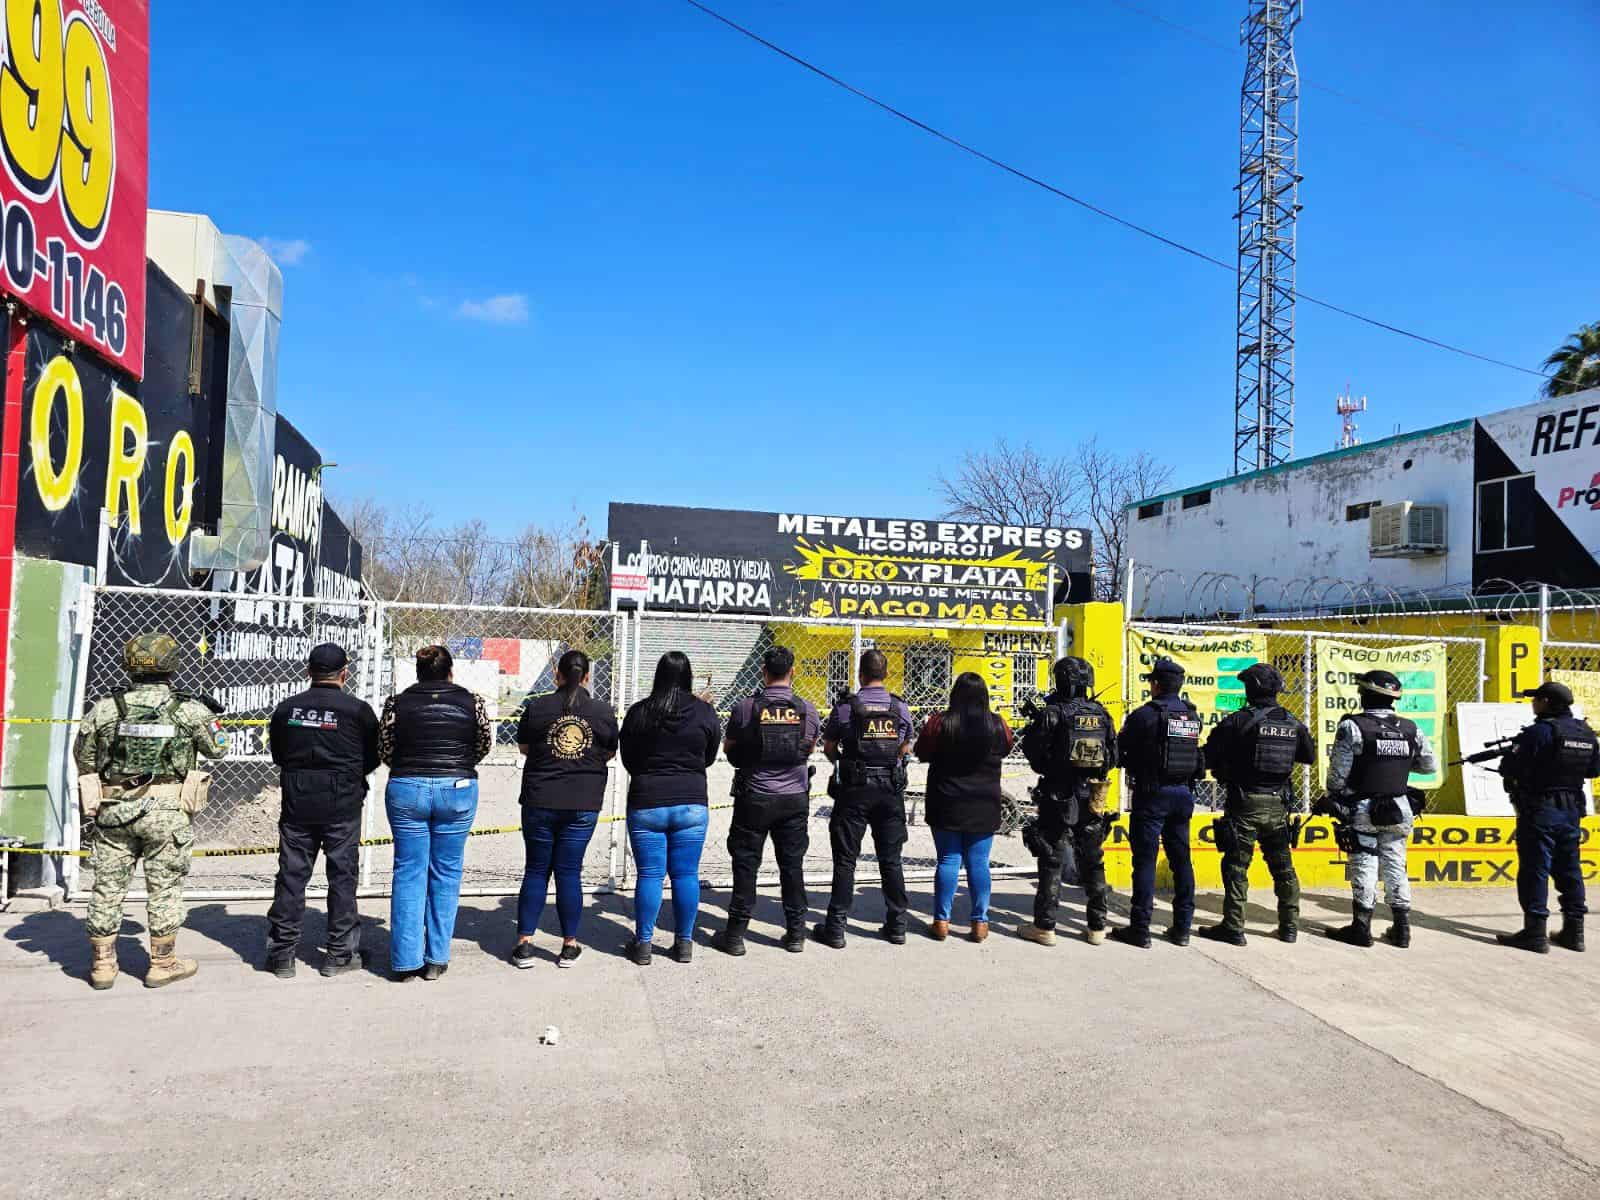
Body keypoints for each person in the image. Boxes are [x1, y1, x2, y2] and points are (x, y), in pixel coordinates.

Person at [74, 632, 228, 990]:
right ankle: (162, 962)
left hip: (115, 810)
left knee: (107, 887)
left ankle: (103, 964)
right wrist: (212, 716)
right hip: (167, 812)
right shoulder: (188, 709)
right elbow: (219, 748)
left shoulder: (106, 708)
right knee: (165, 887)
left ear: (129, 664)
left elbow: (84, 759)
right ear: (172, 664)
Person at [264, 643, 380, 978]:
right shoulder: (358, 710)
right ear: (345, 673)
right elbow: (371, 757)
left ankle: (282, 954)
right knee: (342, 877)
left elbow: (280, 755)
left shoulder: (287, 709)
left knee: (291, 876)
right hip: (342, 804)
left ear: (308, 671)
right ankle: (339, 954)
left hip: (298, 802)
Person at [379, 644, 492, 981]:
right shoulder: (473, 702)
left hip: (406, 788)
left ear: (418, 672)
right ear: (450, 671)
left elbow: (385, 747)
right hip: (456, 789)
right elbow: (483, 743)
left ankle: (405, 962)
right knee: (446, 872)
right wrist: (458, 766)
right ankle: (437, 959)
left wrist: (408, 769)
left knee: (409, 871)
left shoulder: (397, 703)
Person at [512, 649, 619, 969]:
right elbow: (609, 752)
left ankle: (524, 944)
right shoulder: (602, 711)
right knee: (569, 872)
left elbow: (524, 747)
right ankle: (569, 945)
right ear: (587, 676)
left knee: (536, 870)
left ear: (556, 675)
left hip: (540, 799)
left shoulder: (537, 707)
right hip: (582, 802)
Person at [1196, 663, 1315, 946]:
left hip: (1244, 802)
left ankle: (1234, 928)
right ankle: (1289, 927)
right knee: (1283, 867)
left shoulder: (1238, 721)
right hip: (1278, 805)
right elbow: (1308, 756)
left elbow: (1208, 758)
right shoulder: (1292, 722)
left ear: (1249, 690)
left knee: (1237, 867)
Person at [1319, 669, 1437, 949]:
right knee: (1396, 863)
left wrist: (1335, 798)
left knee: (1364, 862)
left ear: (1364, 695)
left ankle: (1361, 928)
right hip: (1400, 807)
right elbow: (1428, 765)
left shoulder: (1352, 726)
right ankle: (1402, 929)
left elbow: (1336, 778)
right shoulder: (1411, 728)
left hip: (1363, 806)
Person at [716, 645, 820, 956]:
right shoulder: (807, 709)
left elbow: (729, 748)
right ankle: (796, 932)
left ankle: (735, 935)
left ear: (763, 671)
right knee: (792, 865)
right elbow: (809, 747)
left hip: (755, 796)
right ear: (793, 671)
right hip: (793, 798)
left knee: (746, 865)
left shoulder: (747, 708)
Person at [619, 651, 721, 965]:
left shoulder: (639, 712)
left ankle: (645, 944)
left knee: (649, 874)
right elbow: (709, 756)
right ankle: (684, 943)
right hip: (691, 802)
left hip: (648, 801)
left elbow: (628, 760)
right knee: (686, 875)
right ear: (688, 676)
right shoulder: (704, 712)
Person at [815, 649, 914, 948]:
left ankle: (835, 928)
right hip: (889, 789)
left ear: (860, 673)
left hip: (854, 789)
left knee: (845, 860)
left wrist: (841, 763)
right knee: (891, 859)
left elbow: (829, 746)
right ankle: (897, 925)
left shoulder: (846, 708)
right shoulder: (899, 707)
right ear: (885, 674)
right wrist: (892, 761)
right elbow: (906, 746)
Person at [1017, 656, 1117, 946]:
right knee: (1093, 859)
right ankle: (1097, 926)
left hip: (1058, 794)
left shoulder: (1053, 713)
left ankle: (1045, 926)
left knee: (1051, 858)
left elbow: (1034, 756)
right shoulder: (1101, 713)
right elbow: (1113, 757)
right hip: (1092, 796)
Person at [1495, 681, 1596, 954]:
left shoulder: (1540, 732)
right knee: (1570, 869)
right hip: (1571, 808)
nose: (1533, 703)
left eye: (1536, 699)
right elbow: (1592, 771)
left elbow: (1510, 767)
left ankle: (1535, 933)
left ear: (1547, 702)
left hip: (1540, 808)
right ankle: (1574, 933)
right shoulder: (1585, 732)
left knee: (1535, 868)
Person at [914, 673, 1014, 942]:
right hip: (984, 802)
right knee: (978, 862)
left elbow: (921, 751)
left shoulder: (940, 723)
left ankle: (941, 922)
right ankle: (980, 923)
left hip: (947, 800)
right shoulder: (997, 724)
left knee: (948, 860)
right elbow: (1007, 747)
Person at [1113, 657, 1202, 949]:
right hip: (1183, 796)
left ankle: (1140, 929)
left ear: (1155, 684)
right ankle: (1182, 928)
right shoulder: (1191, 715)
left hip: (1151, 795)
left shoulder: (1144, 715)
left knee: (1145, 862)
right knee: (1181, 861)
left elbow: (1119, 751)